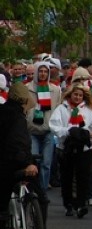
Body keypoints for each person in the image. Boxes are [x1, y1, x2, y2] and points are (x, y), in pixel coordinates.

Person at [0, 82, 51, 229]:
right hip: (14, 167)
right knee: (41, 198)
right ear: (24, 100)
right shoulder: (18, 118)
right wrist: (28, 163)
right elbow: (18, 144)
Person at [49, 84, 92, 218]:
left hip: (84, 148)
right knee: (67, 176)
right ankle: (68, 204)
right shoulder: (62, 109)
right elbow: (54, 125)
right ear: (70, 95)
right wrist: (69, 131)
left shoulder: (88, 110)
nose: (77, 97)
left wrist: (89, 133)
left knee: (83, 176)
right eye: (75, 94)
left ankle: (81, 204)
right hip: (66, 147)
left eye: (80, 95)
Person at [26, 60, 62, 191]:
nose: (42, 74)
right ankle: (34, 189)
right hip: (32, 129)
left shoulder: (55, 90)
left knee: (47, 163)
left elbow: (58, 109)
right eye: (40, 71)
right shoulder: (27, 88)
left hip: (48, 129)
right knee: (34, 161)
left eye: (45, 71)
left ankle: (43, 189)